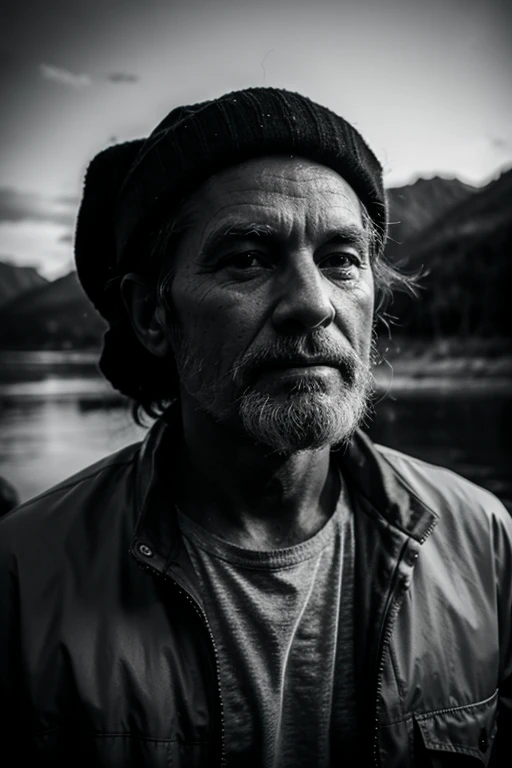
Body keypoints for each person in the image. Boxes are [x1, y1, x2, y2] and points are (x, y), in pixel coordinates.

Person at [0, 87, 510, 768]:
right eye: (247, 258)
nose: (312, 303)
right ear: (153, 314)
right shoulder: (21, 578)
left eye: (341, 259)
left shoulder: (482, 541)